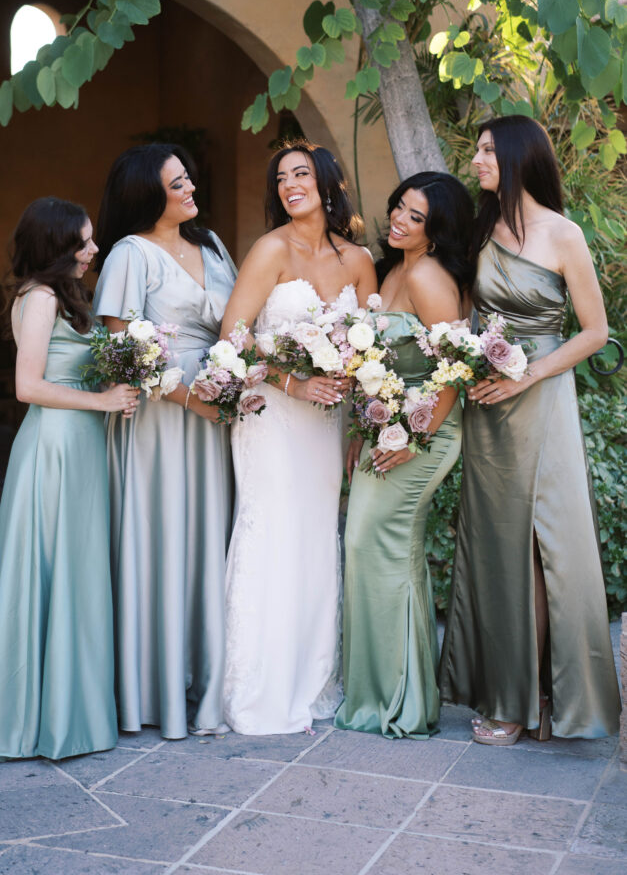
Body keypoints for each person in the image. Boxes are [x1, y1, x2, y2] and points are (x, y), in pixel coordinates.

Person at [439, 115, 621, 744]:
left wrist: (529, 374)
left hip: (539, 396)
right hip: (487, 400)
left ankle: (541, 699)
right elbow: (468, 314)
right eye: (479, 150)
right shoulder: (482, 228)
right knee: (496, 549)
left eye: (489, 151)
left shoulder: (563, 234)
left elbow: (594, 332)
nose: (479, 160)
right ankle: (509, 693)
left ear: (518, 156)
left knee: (546, 552)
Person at [0, 198, 138, 762]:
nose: (93, 249)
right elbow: (27, 386)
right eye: (84, 241)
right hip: (53, 446)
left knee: (74, 572)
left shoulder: (65, 297)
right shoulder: (41, 298)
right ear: (57, 247)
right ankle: (31, 713)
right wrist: (101, 398)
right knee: (46, 570)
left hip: (77, 445)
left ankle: (68, 710)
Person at [221, 141, 377, 734]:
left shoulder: (359, 261)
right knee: (271, 533)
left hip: (326, 424)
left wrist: (363, 423)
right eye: (281, 178)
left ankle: (311, 683)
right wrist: (294, 380)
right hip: (273, 416)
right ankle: (258, 689)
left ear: (328, 182)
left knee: (315, 537)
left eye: (301, 174)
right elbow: (233, 335)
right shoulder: (270, 249)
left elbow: (370, 353)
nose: (290, 185)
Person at [93, 143, 236, 740]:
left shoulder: (214, 246)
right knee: (162, 537)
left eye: (188, 179)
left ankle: (211, 680)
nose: (191, 190)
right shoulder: (130, 254)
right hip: (159, 419)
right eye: (178, 184)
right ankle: (153, 688)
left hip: (219, 412)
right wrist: (188, 396)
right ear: (149, 194)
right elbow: (120, 350)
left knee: (211, 535)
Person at [334, 172, 474, 739]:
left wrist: (412, 437)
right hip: (387, 430)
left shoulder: (431, 276)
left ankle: (398, 700)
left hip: (426, 434)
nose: (399, 219)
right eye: (399, 207)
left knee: (375, 543)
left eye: (415, 216)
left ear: (436, 230)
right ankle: (390, 692)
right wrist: (363, 432)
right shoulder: (396, 268)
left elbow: (454, 370)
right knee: (377, 547)